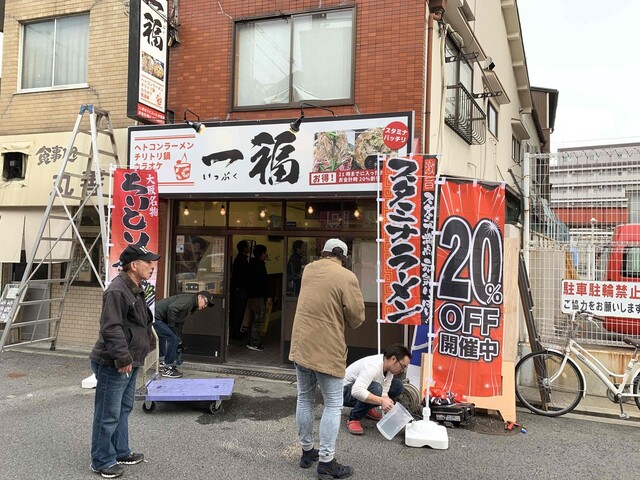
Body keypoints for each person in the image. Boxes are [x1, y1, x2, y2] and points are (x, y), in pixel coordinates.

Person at [289, 238, 365, 479]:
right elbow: (356, 318)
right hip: (327, 349)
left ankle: (307, 451)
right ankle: (326, 462)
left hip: (301, 344)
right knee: (333, 404)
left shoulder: (308, 270)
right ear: (342, 255)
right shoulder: (346, 277)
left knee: (305, 398)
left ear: (322, 253)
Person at [89, 244, 160, 478]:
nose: (152, 265)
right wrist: (122, 357)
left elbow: (140, 323)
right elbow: (111, 328)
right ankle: (101, 460)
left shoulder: (136, 287)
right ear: (133, 265)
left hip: (131, 359)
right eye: (147, 261)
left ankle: (120, 451)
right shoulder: (118, 291)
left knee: (123, 408)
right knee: (108, 413)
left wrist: (145, 346)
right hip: (114, 362)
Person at [342, 344, 411, 435]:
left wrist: (389, 405)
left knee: (398, 386)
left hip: (362, 388)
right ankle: (354, 418)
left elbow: (385, 390)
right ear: (393, 359)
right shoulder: (373, 366)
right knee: (376, 388)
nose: (402, 370)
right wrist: (381, 401)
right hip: (343, 392)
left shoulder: (389, 369)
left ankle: (366, 408)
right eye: (403, 366)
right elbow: (356, 391)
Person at [153, 290, 215, 378]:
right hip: (154, 317)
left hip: (157, 317)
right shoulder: (189, 300)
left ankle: (163, 362)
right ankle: (168, 368)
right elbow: (172, 308)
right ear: (200, 297)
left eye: (207, 305)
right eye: (206, 302)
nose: (205, 306)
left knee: (172, 338)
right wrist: (171, 326)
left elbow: (179, 323)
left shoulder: (192, 306)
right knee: (173, 338)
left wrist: (180, 339)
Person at [245, 244, 272, 351]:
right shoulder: (260, 266)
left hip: (251, 295)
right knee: (258, 319)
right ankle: (254, 342)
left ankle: (251, 340)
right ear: (261, 254)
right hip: (257, 296)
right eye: (265, 252)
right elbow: (263, 283)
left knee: (253, 319)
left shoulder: (251, 264)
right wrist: (268, 296)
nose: (266, 255)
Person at [230, 240, 250, 339]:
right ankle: (235, 331)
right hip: (240, 290)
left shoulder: (240, 258)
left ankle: (236, 330)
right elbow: (241, 276)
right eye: (248, 246)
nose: (249, 248)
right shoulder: (241, 260)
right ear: (244, 248)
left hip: (238, 289)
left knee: (238, 311)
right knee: (238, 311)